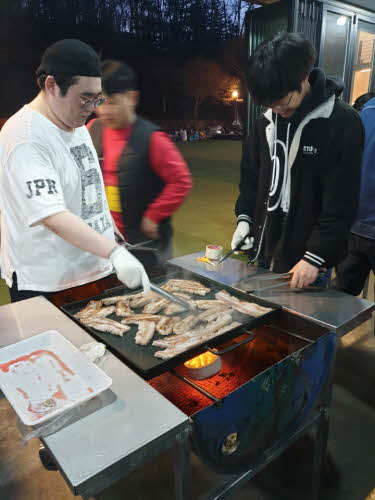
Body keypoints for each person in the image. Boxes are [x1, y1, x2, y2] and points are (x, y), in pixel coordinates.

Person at [0, 39, 150, 303]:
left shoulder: (75, 122)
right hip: (50, 283)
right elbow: (52, 215)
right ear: (51, 85)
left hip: (95, 269)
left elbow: (87, 185)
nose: (92, 109)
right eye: (85, 98)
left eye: (97, 98)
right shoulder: (25, 137)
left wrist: (111, 233)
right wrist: (113, 253)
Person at [231, 32, 364, 289]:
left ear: (304, 78)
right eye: (270, 105)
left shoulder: (341, 122)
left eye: (283, 102)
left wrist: (314, 257)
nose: (278, 110)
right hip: (262, 250)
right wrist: (245, 219)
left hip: (306, 262)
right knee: (259, 324)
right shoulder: (265, 122)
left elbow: (342, 202)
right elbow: (251, 178)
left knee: (305, 328)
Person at [88, 60, 192, 273]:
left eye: (111, 102)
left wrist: (153, 216)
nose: (103, 110)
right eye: (98, 102)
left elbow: (181, 181)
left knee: (151, 299)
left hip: (146, 247)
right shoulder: (92, 130)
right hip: (107, 243)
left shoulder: (153, 139)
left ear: (132, 98)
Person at [333, 94, 375, 295]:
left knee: (340, 296)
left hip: (353, 222)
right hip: (361, 222)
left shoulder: (365, 112)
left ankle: (329, 327)